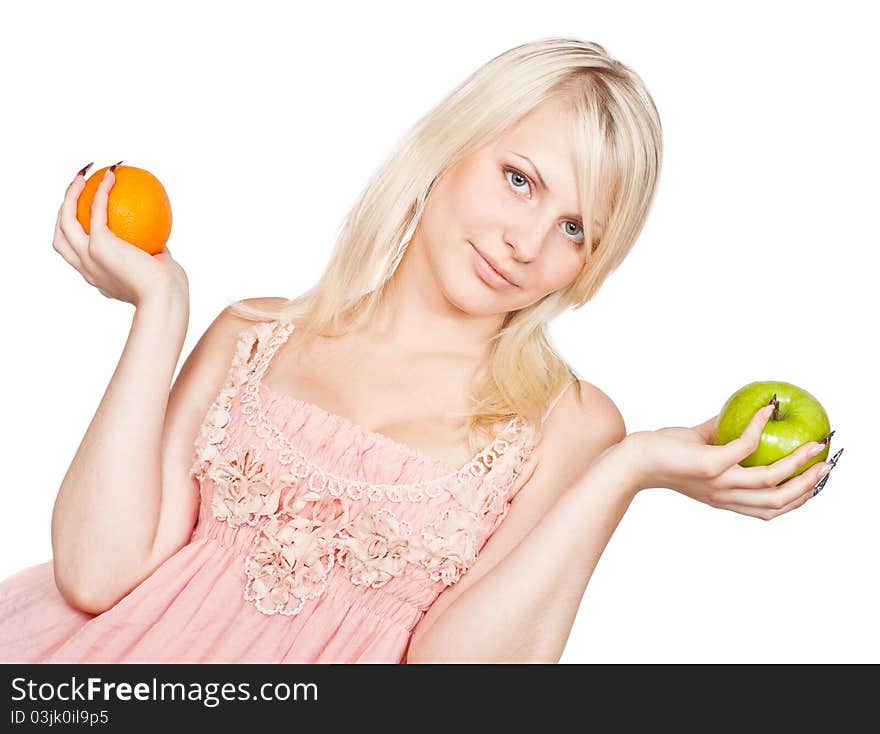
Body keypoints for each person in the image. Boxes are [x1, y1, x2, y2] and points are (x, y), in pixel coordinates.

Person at [0, 37, 836, 664]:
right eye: (521, 180)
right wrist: (160, 308)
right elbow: (96, 574)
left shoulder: (570, 427)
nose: (526, 243)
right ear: (453, 144)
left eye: (574, 229)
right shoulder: (250, 334)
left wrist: (628, 470)